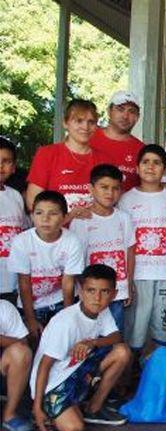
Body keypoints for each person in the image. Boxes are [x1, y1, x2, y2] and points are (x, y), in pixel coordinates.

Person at [30, 264, 132, 431]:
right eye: (91, 290)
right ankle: (48, 409)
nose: (97, 298)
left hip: (77, 370)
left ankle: (93, 407)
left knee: (122, 351)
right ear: (81, 291)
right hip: (54, 383)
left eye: (104, 292)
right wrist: (36, 407)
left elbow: (116, 337)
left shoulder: (102, 310)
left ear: (113, 294)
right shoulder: (66, 322)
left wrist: (93, 343)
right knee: (73, 429)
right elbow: (45, 365)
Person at [118, 145, 166, 352]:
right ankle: (130, 376)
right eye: (145, 162)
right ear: (137, 168)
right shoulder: (126, 199)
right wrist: (125, 278)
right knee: (136, 328)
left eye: (157, 163)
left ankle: (160, 371)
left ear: (164, 170)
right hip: (138, 274)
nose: (150, 167)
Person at [69, 165, 135, 332]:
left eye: (115, 188)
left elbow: (130, 252)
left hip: (117, 292)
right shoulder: (81, 221)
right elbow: (76, 260)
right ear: (91, 188)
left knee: (114, 334)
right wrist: (82, 290)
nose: (109, 193)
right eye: (104, 187)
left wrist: (128, 285)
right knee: (90, 336)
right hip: (90, 294)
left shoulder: (124, 218)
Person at [9, 190, 84, 336]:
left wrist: (66, 317)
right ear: (31, 216)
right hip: (31, 306)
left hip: (60, 302)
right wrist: (30, 320)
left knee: (63, 338)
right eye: (39, 213)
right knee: (34, 344)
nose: (45, 219)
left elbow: (68, 283)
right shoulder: (21, 241)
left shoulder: (72, 241)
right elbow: (24, 283)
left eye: (53, 213)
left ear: (64, 217)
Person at [25, 99, 111, 213]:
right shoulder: (47, 154)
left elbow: (110, 201)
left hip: (94, 227)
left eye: (91, 122)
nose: (85, 127)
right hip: (58, 228)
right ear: (65, 123)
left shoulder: (105, 159)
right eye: (79, 121)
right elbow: (33, 202)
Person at [89, 91, 144, 192]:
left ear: (137, 117)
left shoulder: (142, 151)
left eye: (131, 111)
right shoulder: (88, 137)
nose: (125, 116)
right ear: (109, 111)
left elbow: (149, 184)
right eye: (120, 109)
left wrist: (164, 185)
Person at [0, 137, 28, 303]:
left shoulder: (15, 196)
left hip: (13, 283)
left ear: (14, 167)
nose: (1, 166)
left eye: (6, 161)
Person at [1, 299, 32, 431]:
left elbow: (23, 342)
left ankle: (9, 414)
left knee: (21, 353)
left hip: (3, 370)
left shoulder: (4, 307)